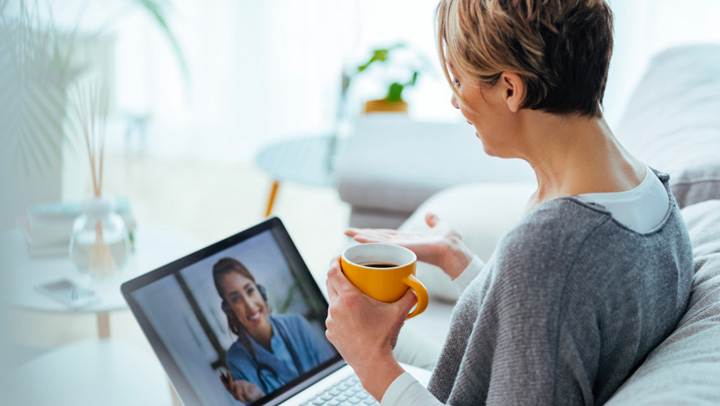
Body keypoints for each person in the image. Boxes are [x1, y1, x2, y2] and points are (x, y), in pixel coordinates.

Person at [324, 0, 694, 405]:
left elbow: (552, 280)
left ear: (510, 89)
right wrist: (460, 262)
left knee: (332, 328)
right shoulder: (648, 192)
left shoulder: (552, 248)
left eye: (458, 82)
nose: (455, 101)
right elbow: (552, 323)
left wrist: (372, 360)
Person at [213, 257, 336, 403]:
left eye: (250, 291)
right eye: (236, 299)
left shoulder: (296, 324)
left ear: (260, 291)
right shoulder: (237, 359)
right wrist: (260, 399)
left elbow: (334, 374)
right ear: (229, 310)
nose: (250, 305)